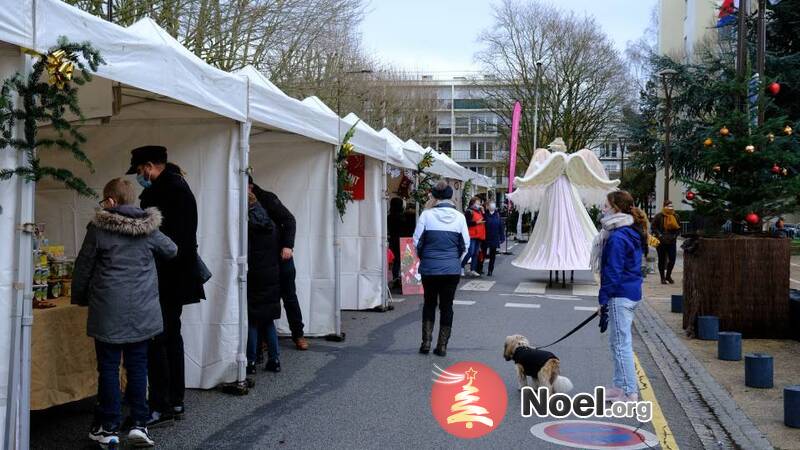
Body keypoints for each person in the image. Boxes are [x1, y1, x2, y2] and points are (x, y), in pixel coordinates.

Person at [73, 178, 177, 448]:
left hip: (108, 309)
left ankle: (108, 429)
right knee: (138, 365)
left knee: (108, 368)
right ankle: (139, 425)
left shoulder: (98, 229)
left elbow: (84, 267)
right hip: (142, 310)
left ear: (110, 201)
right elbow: (171, 250)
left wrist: (80, 297)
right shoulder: (148, 228)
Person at [126, 145, 205, 427]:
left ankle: (161, 404)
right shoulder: (177, 185)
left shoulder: (166, 191)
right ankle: (174, 399)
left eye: (139, 171)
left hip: (167, 275)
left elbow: (160, 238)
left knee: (159, 339)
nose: (139, 177)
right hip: (178, 275)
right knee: (171, 336)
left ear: (149, 166)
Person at [590, 190, 644, 403]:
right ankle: (620, 386)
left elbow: (612, 271)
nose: (603, 208)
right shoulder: (627, 231)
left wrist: (603, 300)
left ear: (616, 208)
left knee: (621, 344)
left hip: (620, 294)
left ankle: (629, 391)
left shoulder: (618, 237)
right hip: (628, 292)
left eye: (606, 205)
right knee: (617, 342)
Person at [249, 178, 309, 350]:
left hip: (281, 257)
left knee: (289, 296)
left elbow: (290, 220)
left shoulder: (267, 198)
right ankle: (263, 339)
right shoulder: (241, 200)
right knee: (262, 299)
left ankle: (298, 334)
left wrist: (288, 246)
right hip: (262, 260)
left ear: (250, 186)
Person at [413, 181, 470, 357]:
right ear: (450, 196)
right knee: (447, 306)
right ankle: (442, 345)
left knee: (429, 303)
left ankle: (426, 342)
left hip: (430, 268)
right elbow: (466, 246)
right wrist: (455, 261)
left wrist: (426, 258)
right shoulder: (459, 217)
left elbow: (417, 242)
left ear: (434, 197)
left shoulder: (426, 215)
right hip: (451, 269)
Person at [246, 185, 282, 373]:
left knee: (252, 319)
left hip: (255, 273)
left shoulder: (247, 225)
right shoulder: (271, 224)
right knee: (267, 320)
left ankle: (250, 361)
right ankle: (274, 360)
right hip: (271, 273)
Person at [651, 200, 681, 284]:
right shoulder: (659, 216)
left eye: (671, 206)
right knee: (662, 259)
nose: (670, 208)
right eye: (668, 206)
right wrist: (659, 235)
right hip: (661, 241)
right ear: (664, 206)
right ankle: (662, 278)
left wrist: (675, 236)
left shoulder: (676, 216)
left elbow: (678, 228)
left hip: (671, 241)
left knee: (672, 259)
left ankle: (668, 275)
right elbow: (653, 227)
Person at [479, 201, 505, 276]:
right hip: (485, 237)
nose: (492, 206)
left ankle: (490, 270)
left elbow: (501, 226)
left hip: (494, 237)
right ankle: (480, 268)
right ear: (487, 206)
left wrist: (502, 237)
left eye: (493, 204)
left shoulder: (497, 214)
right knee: (483, 254)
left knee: (492, 255)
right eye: (490, 204)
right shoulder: (484, 214)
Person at [462, 197, 485, 277]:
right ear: (473, 203)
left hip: (478, 234)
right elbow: (466, 223)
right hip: (472, 234)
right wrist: (476, 222)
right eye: (477, 203)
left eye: (479, 203)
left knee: (476, 253)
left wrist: (483, 211)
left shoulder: (479, 211)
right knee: (470, 252)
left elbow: (483, 220)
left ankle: (473, 269)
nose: (479, 204)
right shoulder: (469, 211)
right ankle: (461, 266)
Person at [387, 197, 406, 283]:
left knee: (395, 260)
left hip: (393, 239)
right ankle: (402, 279)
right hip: (402, 240)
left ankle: (395, 277)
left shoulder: (389, 217)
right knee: (402, 259)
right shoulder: (403, 217)